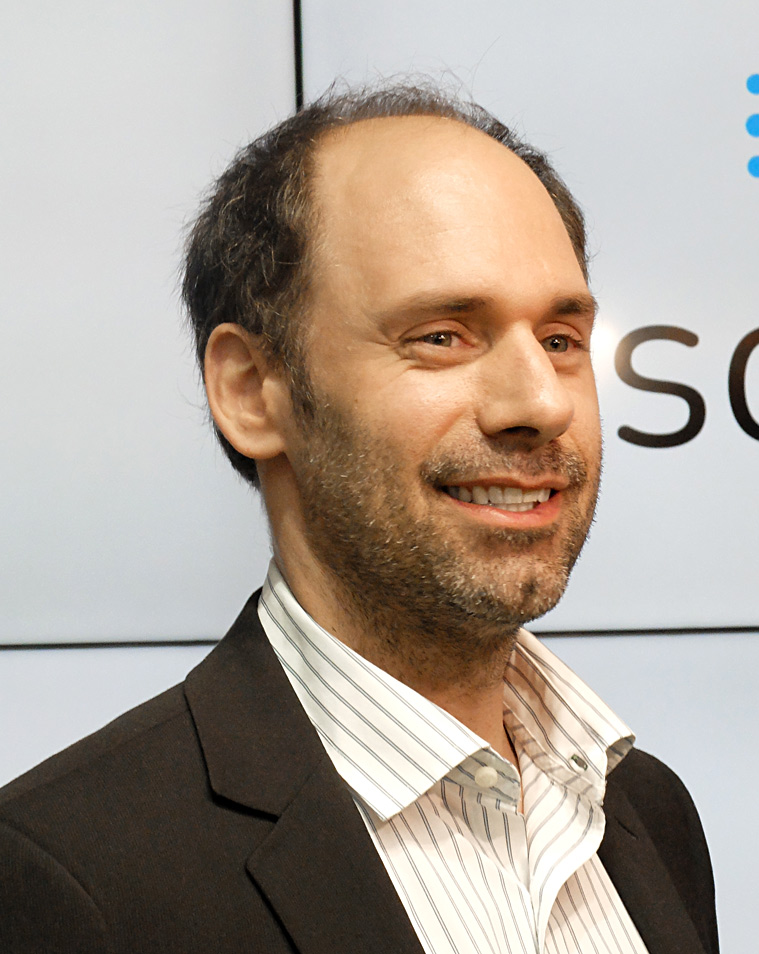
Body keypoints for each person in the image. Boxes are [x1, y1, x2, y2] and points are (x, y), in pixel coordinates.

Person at [0, 82, 718, 954]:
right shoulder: (70, 877)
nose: (541, 402)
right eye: (442, 336)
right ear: (251, 391)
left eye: (561, 340)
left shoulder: (649, 813)